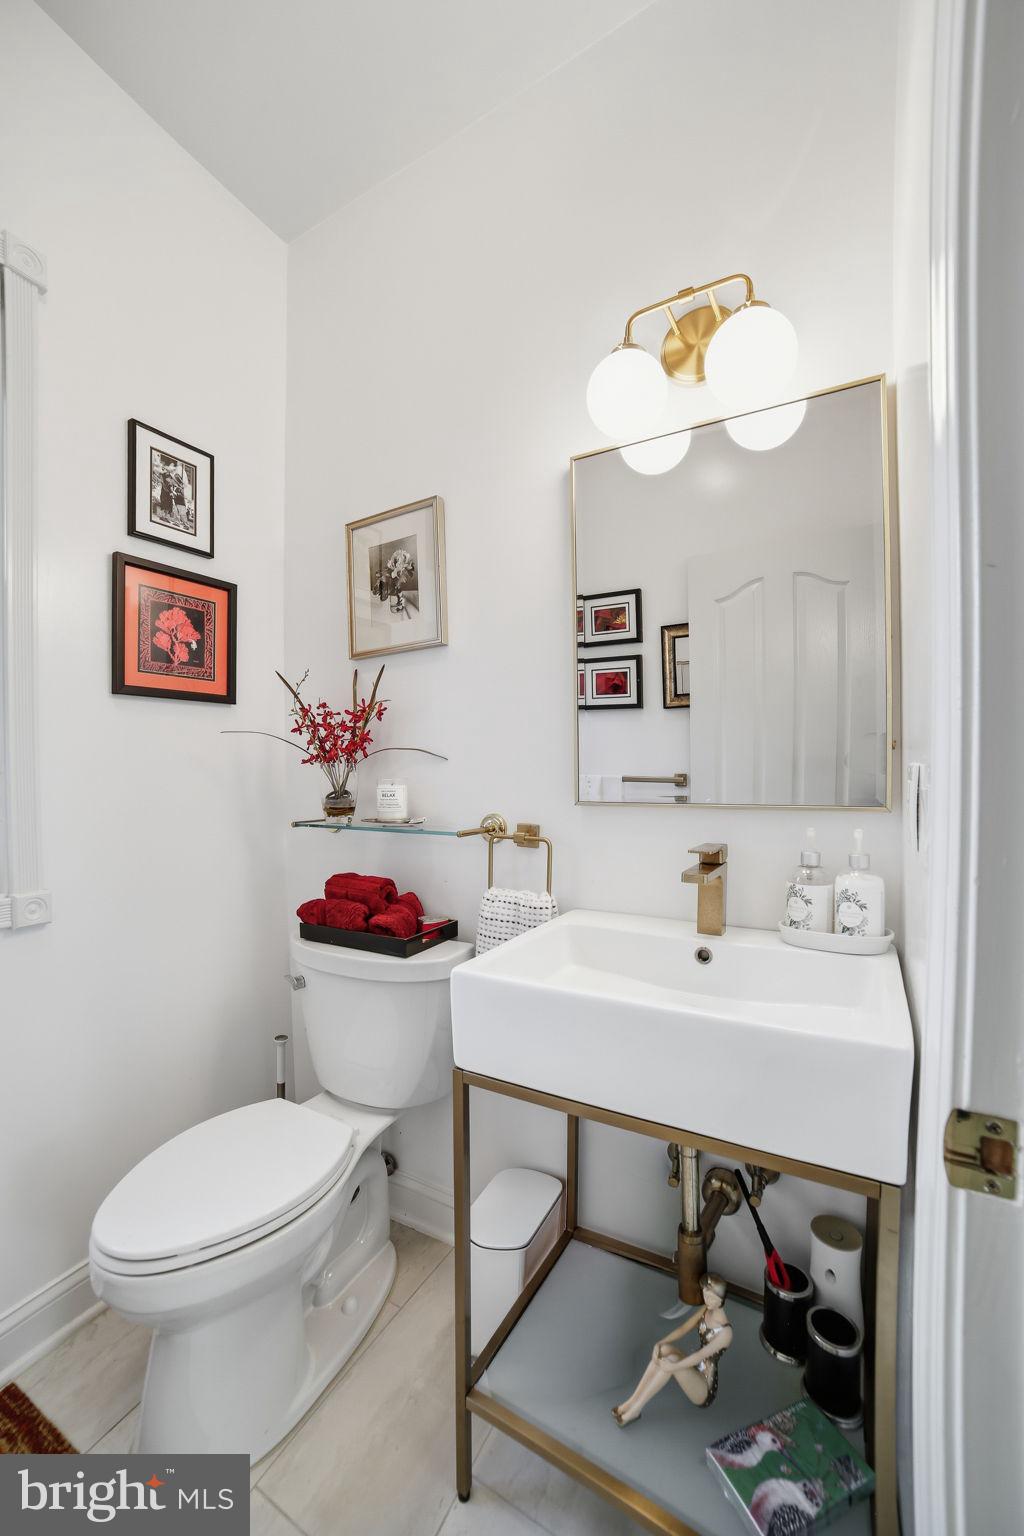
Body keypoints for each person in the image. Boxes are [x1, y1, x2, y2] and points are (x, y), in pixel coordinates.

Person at [613, 1274, 732, 1422]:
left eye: (710, 1298)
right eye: (705, 1295)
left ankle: (636, 1410)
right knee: (663, 1350)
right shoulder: (706, 1310)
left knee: (672, 1360)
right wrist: (660, 1343)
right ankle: (630, 1402)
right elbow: (683, 1328)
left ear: (720, 1300)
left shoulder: (726, 1332)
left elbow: (700, 1356)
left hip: (704, 1388)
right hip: (694, 1368)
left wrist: (672, 1367)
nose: (706, 1300)